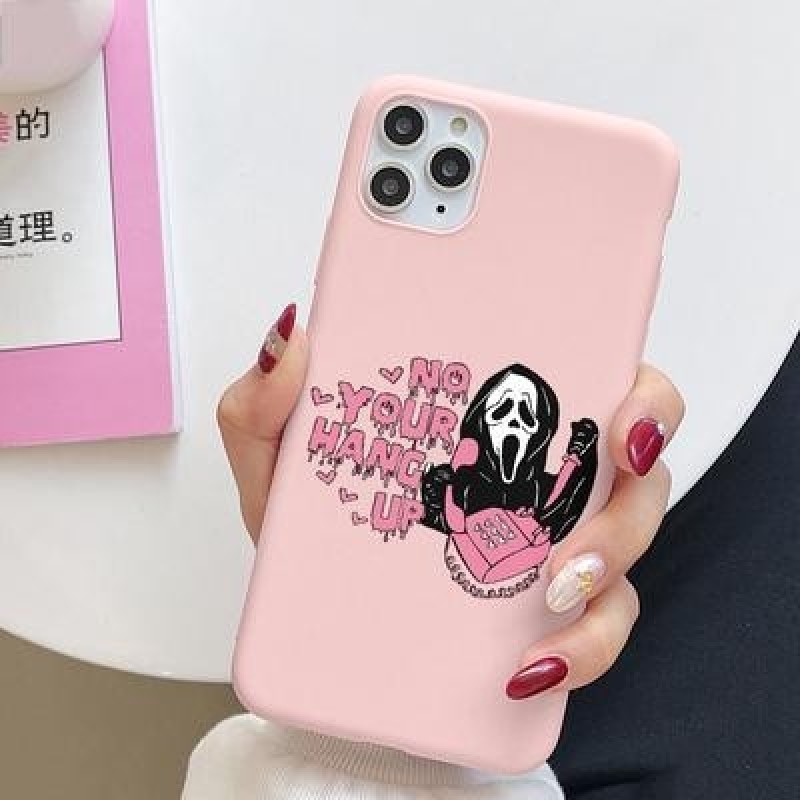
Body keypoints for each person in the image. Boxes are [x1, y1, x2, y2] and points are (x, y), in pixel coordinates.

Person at [182, 302, 686, 799]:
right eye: (502, 411)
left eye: (527, 415)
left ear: (542, 431)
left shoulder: (546, 491)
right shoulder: (446, 485)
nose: (514, 424)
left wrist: (581, 461)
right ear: (479, 422)